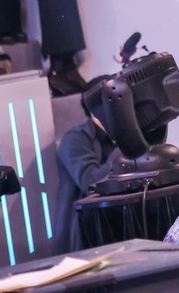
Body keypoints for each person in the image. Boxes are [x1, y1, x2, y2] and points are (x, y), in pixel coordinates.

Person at [55, 77, 119, 251]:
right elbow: (90, 182)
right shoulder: (74, 139)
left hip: (123, 217)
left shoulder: (123, 136)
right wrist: (127, 144)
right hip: (87, 232)